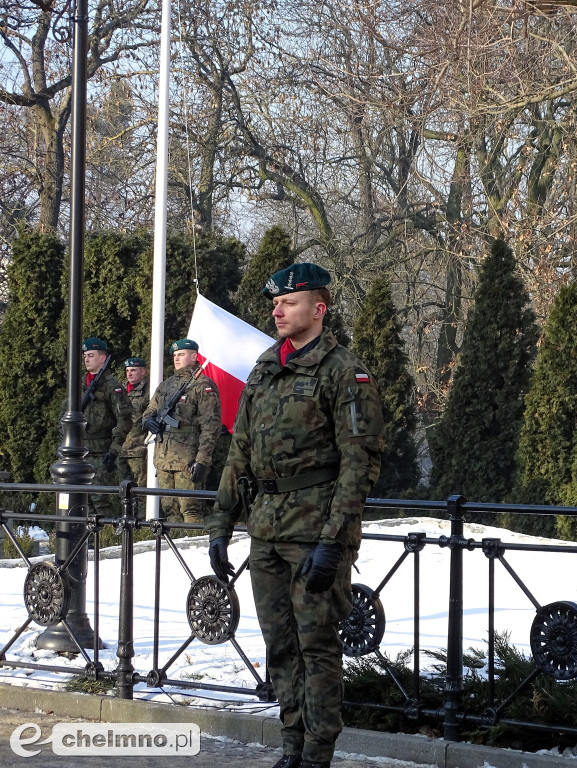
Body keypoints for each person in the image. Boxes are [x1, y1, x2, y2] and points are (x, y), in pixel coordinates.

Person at [205, 263, 383, 768]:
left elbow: (360, 461)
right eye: (276, 303)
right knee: (280, 646)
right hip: (265, 530)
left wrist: (335, 540)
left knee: (316, 648)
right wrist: (221, 525)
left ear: (318, 309)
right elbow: (239, 451)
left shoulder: (343, 370)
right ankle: (290, 747)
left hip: (315, 531)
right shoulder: (265, 367)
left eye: (290, 302)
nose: (277, 310)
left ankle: (317, 754)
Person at [132, 339, 221, 524]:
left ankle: (191, 550)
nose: (176, 359)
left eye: (181, 354)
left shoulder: (203, 385)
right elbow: (150, 410)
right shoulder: (166, 385)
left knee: (191, 510)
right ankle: (172, 550)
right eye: (174, 355)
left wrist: (202, 460)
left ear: (194, 356)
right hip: (164, 459)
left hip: (188, 460)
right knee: (170, 509)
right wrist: (149, 421)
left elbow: (211, 426)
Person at [78, 337, 131, 517]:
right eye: (85, 355)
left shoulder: (111, 386)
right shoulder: (78, 384)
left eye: (91, 355)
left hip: (101, 452)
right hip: (79, 452)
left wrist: (114, 450)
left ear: (102, 358)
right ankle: (87, 544)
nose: (86, 359)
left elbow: (124, 420)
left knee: (101, 502)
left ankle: (105, 541)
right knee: (82, 503)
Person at [118, 356, 149, 488]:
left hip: (138, 450)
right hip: (120, 448)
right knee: (124, 491)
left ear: (143, 372)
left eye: (133, 370)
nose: (129, 374)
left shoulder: (150, 390)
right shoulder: (120, 390)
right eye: (127, 370)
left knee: (141, 492)